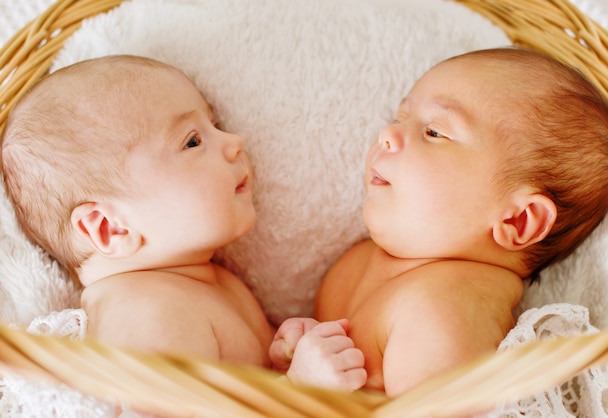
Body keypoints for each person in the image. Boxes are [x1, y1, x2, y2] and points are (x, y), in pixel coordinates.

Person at [272, 47, 608, 397]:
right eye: (399, 118)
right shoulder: (387, 265)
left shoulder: (445, 310)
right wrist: (298, 360)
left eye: (434, 132)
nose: (387, 135)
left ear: (518, 220)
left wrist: (304, 392)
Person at [1, 54, 366, 393]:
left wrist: (283, 359)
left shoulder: (195, 283)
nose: (235, 142)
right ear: (110, 229)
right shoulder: (147, 314)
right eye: (192, 141)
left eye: (215, 125)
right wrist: (300, 388)